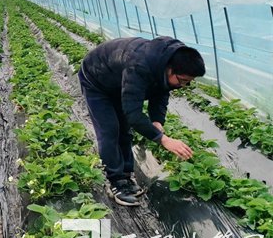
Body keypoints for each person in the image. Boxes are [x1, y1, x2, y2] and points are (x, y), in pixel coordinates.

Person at [78, 36, 205, 207]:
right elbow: (134, 114)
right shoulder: (139, 66)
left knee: (125, 130)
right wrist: (163, 139)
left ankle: (126, 176)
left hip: (118, 82)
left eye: (188, 82)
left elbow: (162, 91)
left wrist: (157, 120)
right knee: (110, 130)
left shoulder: (166, 60)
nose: (183, 85)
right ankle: (116, 182)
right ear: (170, 69)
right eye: (182, 80)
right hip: (96, 80)